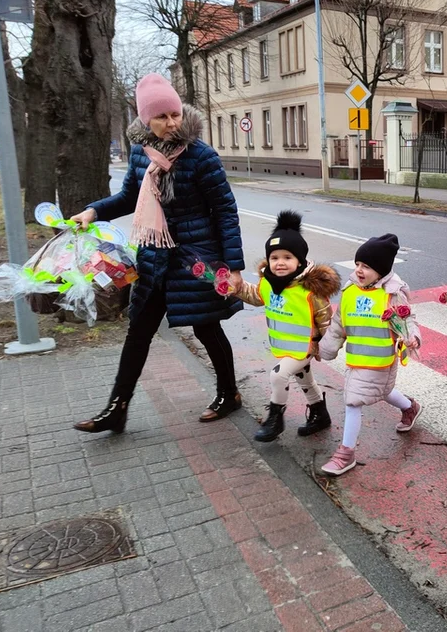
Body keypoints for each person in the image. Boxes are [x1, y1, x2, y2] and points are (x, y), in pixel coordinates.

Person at [72, 74, 245, 433]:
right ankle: (116, 408)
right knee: (139, 331)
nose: (171, 123)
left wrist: (234, 266)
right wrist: (92, 211)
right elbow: (127, 198)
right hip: (154, 258)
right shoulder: (140, 153)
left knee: (206, 327)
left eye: (175, 114)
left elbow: (225, 211)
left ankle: (229, 393)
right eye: (161, 117)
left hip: (197, 261)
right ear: (145, 120)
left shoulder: (201, 155)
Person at [229, 211, 340, 442]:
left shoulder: (310, 289)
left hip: (307, 346)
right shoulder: (268, 284)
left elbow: (326, 319)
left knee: (278, 375)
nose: (280, 263)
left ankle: (275, 419)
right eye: (275, 257)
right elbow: (255, 295)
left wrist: (324, 346)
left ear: (299, 261)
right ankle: (320, 414)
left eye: (287, 257)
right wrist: (236, 287)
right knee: (304, 379)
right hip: (286, 346)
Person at [318, 234, 423, 476]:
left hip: (381, 361)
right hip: (357, 359)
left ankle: (346, 453)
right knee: (382, 392)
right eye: (357, 264)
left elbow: (409, 320)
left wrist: (412, 337)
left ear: (381, 270)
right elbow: (338, 323)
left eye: (366, 266)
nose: (360, 270)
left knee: (353, 400)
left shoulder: (392, 293)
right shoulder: (351, 291)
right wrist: (327, 348)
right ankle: (410, 407)